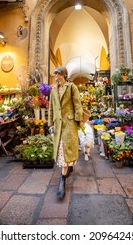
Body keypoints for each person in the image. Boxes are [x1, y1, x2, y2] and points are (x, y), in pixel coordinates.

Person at [48, 66, 84, 199]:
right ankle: (67, 170)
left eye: (56, 73)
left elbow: (77, 104)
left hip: (69, 124)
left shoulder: (71, 87)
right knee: (62, 150)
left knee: (66, 148)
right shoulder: (53, 90)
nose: (55, 75)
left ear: (62, 75)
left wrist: (80, 120)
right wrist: (50, 124)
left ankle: (62, 181)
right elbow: (51, 108)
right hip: (58, 124)